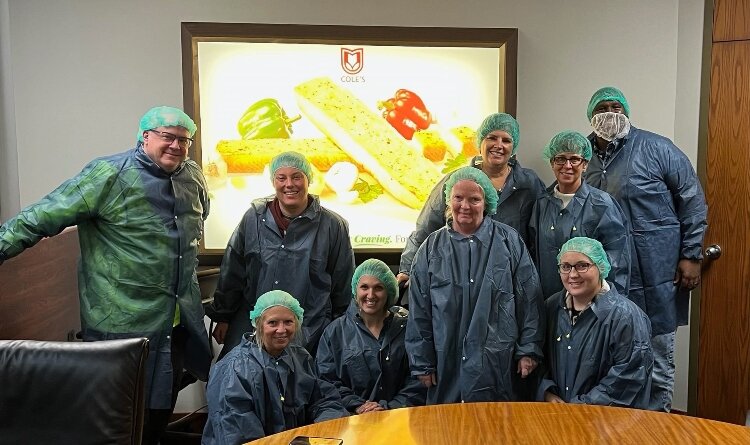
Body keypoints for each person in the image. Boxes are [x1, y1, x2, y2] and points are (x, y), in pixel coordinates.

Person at [0, 106, 211, 444]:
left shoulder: (192, 176)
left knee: (157, 416)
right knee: (117, 422)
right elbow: (37, 218)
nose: (176, 146)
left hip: (176, 323)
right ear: (145, 136)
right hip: (121, 324)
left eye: (184, 140)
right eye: (167, 137)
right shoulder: (108, 174)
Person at [583, 87, 708, 412]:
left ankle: (658, 429)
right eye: (602, 107)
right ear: (589, 115)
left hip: (657, 272)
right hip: (607, 276)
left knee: (657, 361)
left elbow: (693, 201)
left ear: (627, 111)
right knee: (610, 359)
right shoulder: (579, 156)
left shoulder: (657, 148)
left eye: (616, 106)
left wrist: (691, 255)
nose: (610, 113)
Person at [405, 166, 544, 404]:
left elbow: (529, 300)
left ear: (487, 203)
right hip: (445, 359)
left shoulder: (509, 242)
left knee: (495, 428)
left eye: (474, 199)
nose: (465, 206)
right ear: (449, 201)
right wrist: (422, 361)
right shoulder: (430, 248)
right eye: (458, 198)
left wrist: (528, 350)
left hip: (497, 362)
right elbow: (419, 310)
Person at [206, 151, 354, 357]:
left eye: (296, 177)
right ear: (273, 181)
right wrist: (224, 316)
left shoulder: (332, 226)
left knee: (299, 384)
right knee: (236, 379)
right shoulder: (253, 218)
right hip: (254, 324)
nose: (289, 184)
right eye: (281, 178)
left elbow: (343, 282)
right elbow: (233, 270)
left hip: (310, 329)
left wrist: (341, 329)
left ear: (308, 180)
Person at [397, 113, 544, 286]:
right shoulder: (456, 181)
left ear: (514, 146)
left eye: (506, 140)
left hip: (509, 283)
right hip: (458, 280)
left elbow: (540, 237)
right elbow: (426, 228)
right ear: (480, 141)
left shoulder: (529, 184)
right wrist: (407, 269)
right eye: (492, 138)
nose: (498, 145)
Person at [203, 290, 348, 444]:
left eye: (288, 322)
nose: (281, 330)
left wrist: (325, 430)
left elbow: (323, 400)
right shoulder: (234, 369)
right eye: (272, 323)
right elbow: (238, 433)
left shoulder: (300, 357)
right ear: (258, 324)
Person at [539, 237, 653, 408]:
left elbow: (628, 378)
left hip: (606, 423)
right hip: (558, 416)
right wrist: (546, 392)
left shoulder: (626, 317)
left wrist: (581, 407)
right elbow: (537, 357)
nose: (573, 274)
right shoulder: (551, 307)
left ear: (601, 267)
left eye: (582, 265)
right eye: (565, 267)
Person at [529, 130, 630, 299]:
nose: (567, 166)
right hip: (548, 302)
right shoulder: (542, 205)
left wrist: (607, 304)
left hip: (591, 304)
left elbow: (617, 263)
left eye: (574, 159)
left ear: (585, 164)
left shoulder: (602, 205)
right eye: (560, 159)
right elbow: (532, 256)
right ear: (552, 163)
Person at [316, 258, 426, 414]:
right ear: (355, 290)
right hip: (351, 421)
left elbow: (419, 378)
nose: (371, 294)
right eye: (364, 287)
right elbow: (326, 381)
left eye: (378, 288)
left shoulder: (407, 328)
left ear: (389, 290)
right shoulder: (335, 333)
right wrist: (358, 406)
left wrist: (390, 408)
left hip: (400, 419)